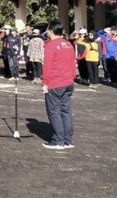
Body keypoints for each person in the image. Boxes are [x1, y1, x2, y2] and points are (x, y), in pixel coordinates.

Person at [41, 21, 76, 150]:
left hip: (56, 83)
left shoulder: (50, 45)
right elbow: (73, 63)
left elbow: (47, 66)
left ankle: (58, 140)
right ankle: (68, 140)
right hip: (68, 82)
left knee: (54, 112)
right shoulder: (68, 44)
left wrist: (45, 83)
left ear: (50, 30)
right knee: (65, 111)